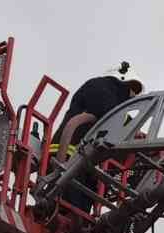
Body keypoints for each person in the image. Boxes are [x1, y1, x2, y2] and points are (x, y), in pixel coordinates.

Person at [48, 66, 144, 220]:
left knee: (79, 213)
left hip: (85, 164)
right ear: (123, 78)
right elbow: (108, 112)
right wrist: (132, 128)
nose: (133, 95)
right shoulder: (100, 86)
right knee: (70, 207)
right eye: (133, 89)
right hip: (68, 155)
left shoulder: (114, 100)